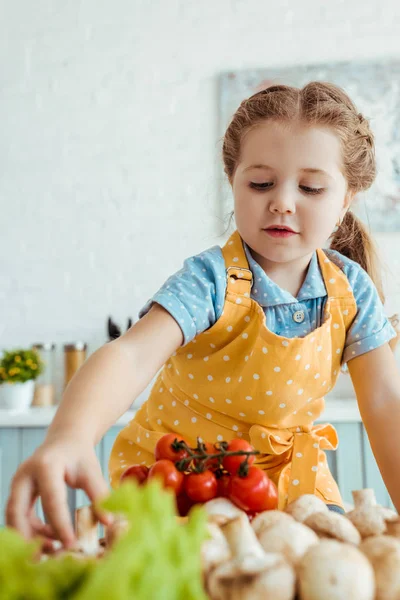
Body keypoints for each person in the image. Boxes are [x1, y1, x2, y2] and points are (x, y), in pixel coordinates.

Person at [6, 82, 400, 548]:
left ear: (345, 202)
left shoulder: (352, 289)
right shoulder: (209, 280)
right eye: (260, 183)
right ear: (232, 181)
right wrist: (70, 435)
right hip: (180, 484)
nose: (282, 202)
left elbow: (384, 403)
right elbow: (131, 356)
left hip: (285, 487)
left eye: (311, 187)